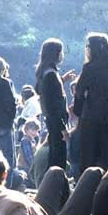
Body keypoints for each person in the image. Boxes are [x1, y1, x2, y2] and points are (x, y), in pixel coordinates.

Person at [73, 33, 108, 172]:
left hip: (90, 117)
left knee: (88, 155)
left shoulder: (89, 67)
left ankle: (86, 186)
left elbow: (79, 90)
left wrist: (79, 110)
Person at [35, 39, 75, 171]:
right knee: (58, 160)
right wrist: (63, 128)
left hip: (51, 121)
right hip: (57, 122)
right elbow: (53, 106)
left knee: (54, 156)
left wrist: (62, 80)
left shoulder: (44, 72)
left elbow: (43, 92)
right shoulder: (51, 75)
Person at [18, 119, 39, 186]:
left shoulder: (32, 140)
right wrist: (34, 168)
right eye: (32, 130)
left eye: (36, 130)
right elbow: (28, 157)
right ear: (26, 130)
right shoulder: (25, 140)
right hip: (25, 168)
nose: (34, 132)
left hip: (30, 167)